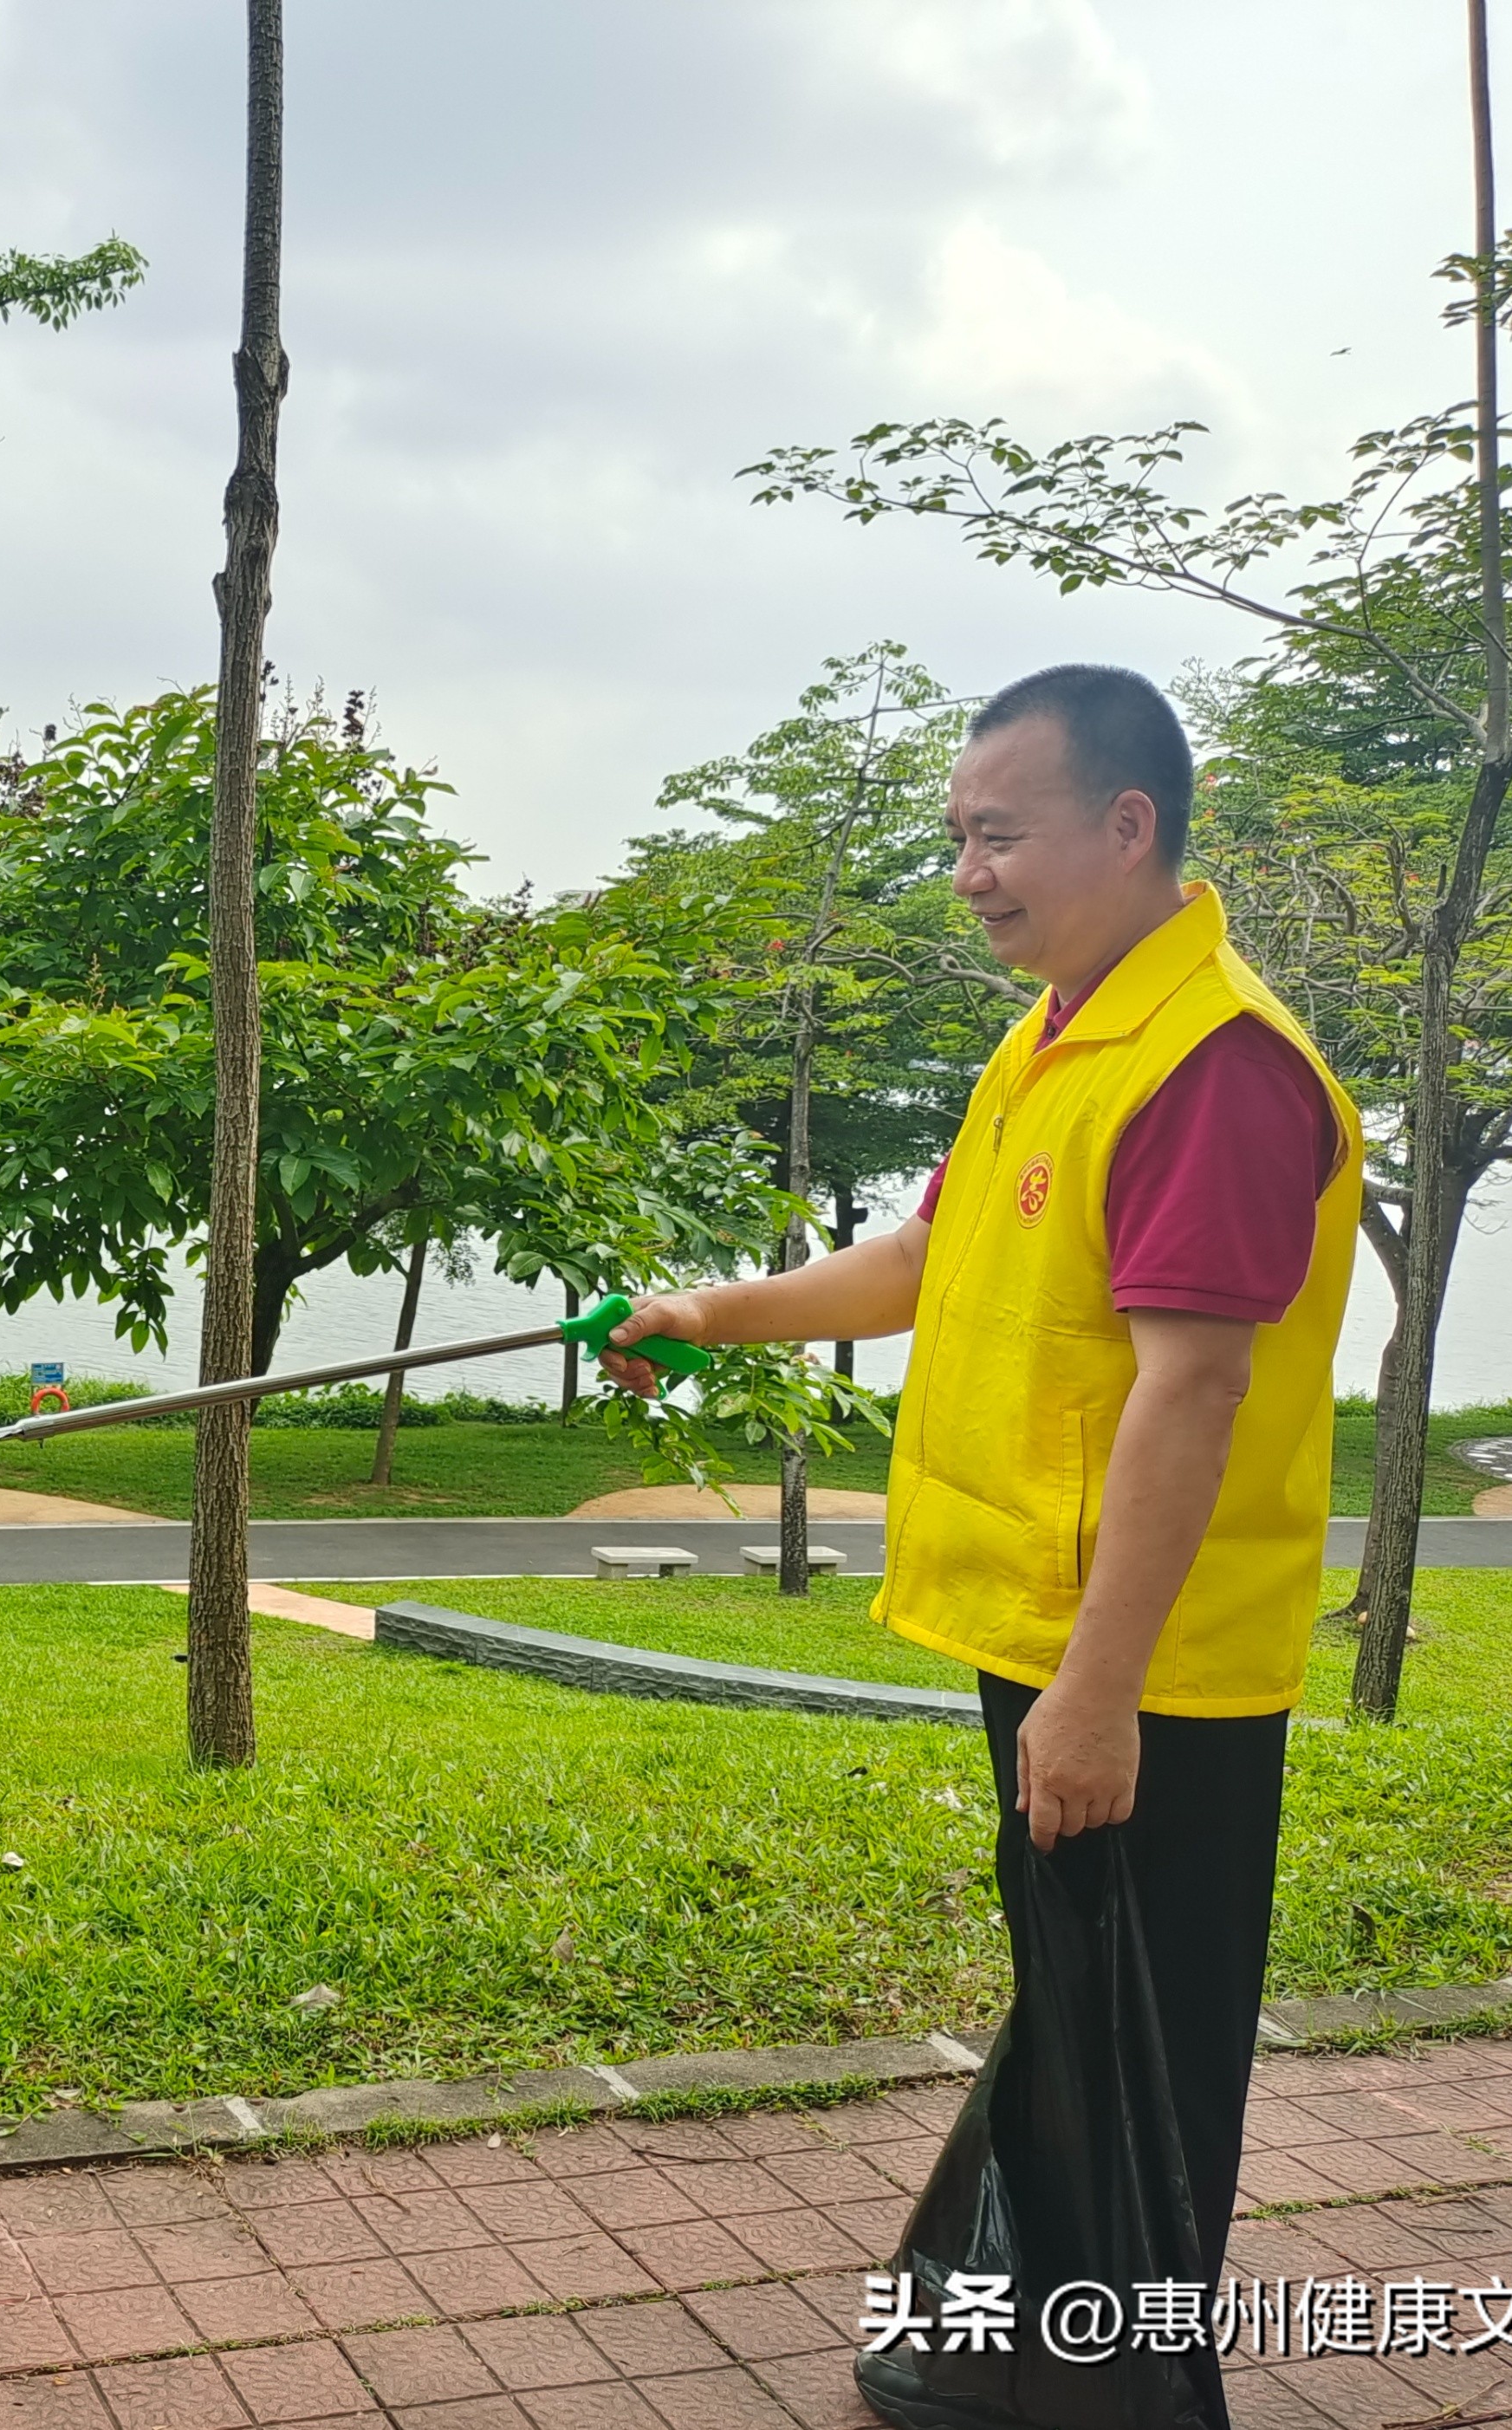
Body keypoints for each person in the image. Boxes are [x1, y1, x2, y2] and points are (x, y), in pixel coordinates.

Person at [607, 666, 1360, 2395]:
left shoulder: (1209, 1065)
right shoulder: (1051, 1041)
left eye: (997, 834)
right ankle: (1010, 2358)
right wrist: (706, 1310)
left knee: (1146, 2050)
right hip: (1042, 1631)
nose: (969, 874)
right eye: (956, 838)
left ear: (1128, 824)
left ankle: (1117, 2383)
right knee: (1083, 2005)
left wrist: (1097, 1699)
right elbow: (921, 1268)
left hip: (1144, 1666)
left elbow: (1192, 1392)